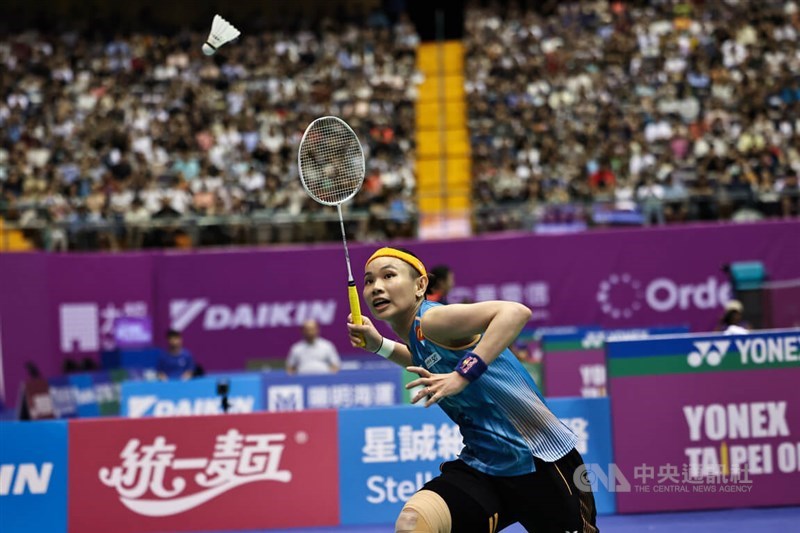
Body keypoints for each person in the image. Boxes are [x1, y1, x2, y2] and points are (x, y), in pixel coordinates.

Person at [347, 247, 598, 533]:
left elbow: (514, 312)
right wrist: (378, 344)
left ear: (420, 286)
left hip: (539, 461)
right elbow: (422, 359)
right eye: (369, 281)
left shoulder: (432, 320)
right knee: (413, 524)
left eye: (388, 276)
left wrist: (463, 374)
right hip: (485, 466)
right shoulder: (418, 335)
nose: (376, 287)